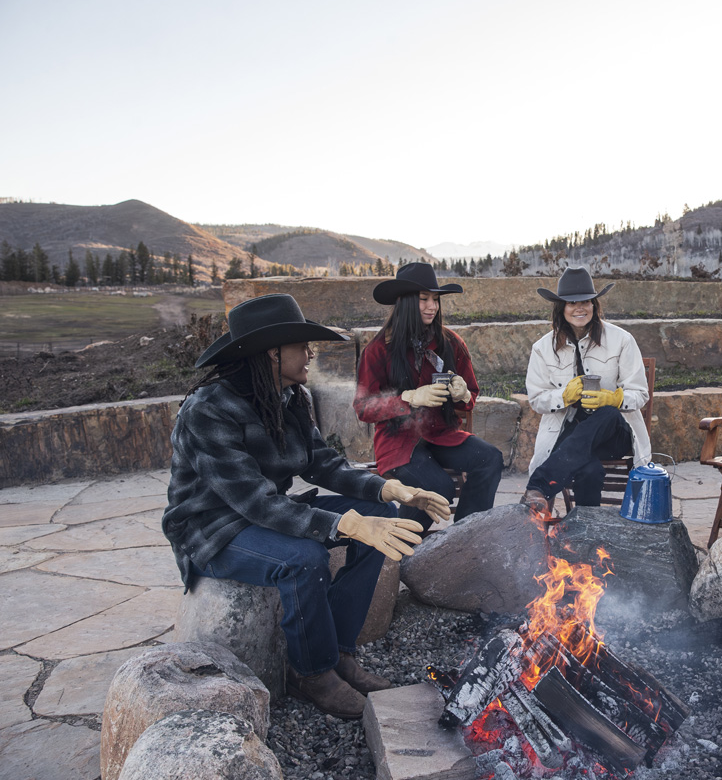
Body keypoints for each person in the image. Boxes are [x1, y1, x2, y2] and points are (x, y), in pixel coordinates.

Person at [163, 294, 451, 720]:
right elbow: (255, 503)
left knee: (382, 517)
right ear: (272, 352)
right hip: (213, 528)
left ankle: (336, 653)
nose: (310, 353)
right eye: (301, 345)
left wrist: (391, 491)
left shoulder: (289, 396)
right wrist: (347, 525)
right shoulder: (207, 410)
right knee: (304, 558)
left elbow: (324, 464)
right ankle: (312, 674)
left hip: (263, 510)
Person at [354, 263, 502, 529]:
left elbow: (471, 395)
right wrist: (409, 397)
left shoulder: (451, 343)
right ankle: (397, 547)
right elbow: (364, 408)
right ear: (405, 302)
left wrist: (463, 392)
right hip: (399, 443)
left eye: (435, 299)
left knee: (490, 458)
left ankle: (465, 536)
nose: (432, 306)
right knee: (438, 488)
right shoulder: (378, 350)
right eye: (424, 299)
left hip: (442, 435)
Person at [520, 267, 651, 514]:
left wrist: (614, 398)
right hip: (572, 435)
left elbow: (640, 393)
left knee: (608, 413)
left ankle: (537, 487)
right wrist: (563, 396)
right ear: (561, 307)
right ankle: (585, 531)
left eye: (586, 301)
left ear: (594, 304)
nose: (579, 308)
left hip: (615, 434)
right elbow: (536, 400)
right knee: (589, 469)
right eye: (571, 303)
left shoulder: (621, 340)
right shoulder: (542, 348)